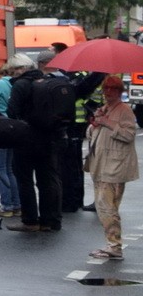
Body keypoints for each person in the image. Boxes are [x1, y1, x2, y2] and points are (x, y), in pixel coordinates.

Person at [43, 45, 105, 213]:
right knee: (74, 164)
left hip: (71, 123)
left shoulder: (70, 78)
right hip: (77, 122)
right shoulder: (80, 76)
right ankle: (75, 199)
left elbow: (85, 93)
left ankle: (70, 200)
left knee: (69, 165)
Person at [6, 52, 63, 232]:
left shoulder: (20, 85)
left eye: (14, 69)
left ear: (22, 68)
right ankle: (49, 220)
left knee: (25, 180)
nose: (12, 73)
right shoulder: (47, 82)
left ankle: (30, 220)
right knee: (47, 180)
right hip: (49, 137)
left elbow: (12, 111)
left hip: (25, 138)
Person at [85, 75, 138, 259]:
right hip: (100, 164)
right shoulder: (105, 109)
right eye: (106, 88)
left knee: (107, 207)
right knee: (104, 206)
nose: (108, 92)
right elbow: (94, 134)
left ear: (120, 91)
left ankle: (114, 246)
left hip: (114, 167)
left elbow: (128, 134)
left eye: (113, 89)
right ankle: (111, 244)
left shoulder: (125, 110)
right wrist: (95, 124)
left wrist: (107, 122)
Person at [0, 64, 21, 218]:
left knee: (0, 168)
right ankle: (16, 204)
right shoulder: (15, 85)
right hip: (13, 127)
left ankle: (6, 206)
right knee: (9, 169)